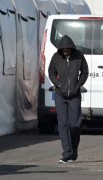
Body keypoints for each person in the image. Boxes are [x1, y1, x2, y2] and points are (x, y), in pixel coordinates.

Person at [48, 35, 89, 163]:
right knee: (63, 124)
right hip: (60, 95)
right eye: (63, 49)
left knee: (75, 124)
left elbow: (85, 72)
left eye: (67, 49)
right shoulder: (56, 57)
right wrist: (58, 84)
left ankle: (74, 150)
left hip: (74, 95)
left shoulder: (79, 56)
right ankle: (67, 152)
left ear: (71, 48)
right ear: (60, 49)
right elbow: (51, 73)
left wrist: (77, 85)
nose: (65, 51)